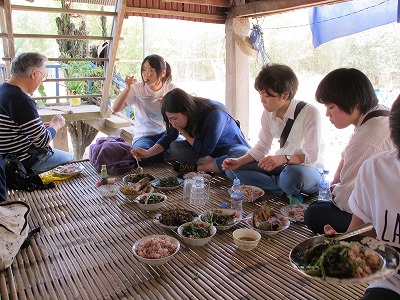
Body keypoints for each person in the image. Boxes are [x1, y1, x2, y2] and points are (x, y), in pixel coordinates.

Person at [324, 94, 400, 300]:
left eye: (331, 107)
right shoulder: (376, 168)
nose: (327, 114)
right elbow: (361, 233)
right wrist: (343, 244)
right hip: (392, 281)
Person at [304, 68, 394, 234]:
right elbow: (346, 156)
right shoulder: (377, 113)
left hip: (387, 218)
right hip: (387, 203)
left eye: (331, 107)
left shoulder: (366, 140)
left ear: (354, 103)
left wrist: (334, 192)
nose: (326, 114)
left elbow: (346, 201)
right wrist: (336, 182)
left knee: (314, 213)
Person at [222, 64, 323, 204]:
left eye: (267, 96)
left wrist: (284, 158)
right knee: (232, 170)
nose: (262, 100)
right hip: (282, 168)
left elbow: (311, 156)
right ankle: (283, 189)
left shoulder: (310, 112)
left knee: (292, 175)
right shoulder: (268, 114)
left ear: (285, 95)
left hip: (306, 171)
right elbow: (262, 146)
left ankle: (283, 184)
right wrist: (239, 162)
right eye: (260, 94)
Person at [131, 88, 250, 173]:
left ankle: (204, 167)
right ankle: (215, 165)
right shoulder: (179, 118)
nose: (172, 123)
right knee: (174, 147)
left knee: (242, 154)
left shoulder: (215, 114)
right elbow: (169, 137)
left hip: (229, 149)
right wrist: (148, 153)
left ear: (186, 112)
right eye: (169, 119)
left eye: (174, 118)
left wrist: (184, 133)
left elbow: (205, 149)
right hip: (209, 154)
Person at [0, 52, 73, 174]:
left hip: (5, 158)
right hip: (21, 162)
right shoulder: (21, 100)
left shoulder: (3, 89)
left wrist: (38, 128)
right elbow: (42, 141)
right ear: (34, 74)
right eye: (43, 76)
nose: (42, 81)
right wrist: (56, 125)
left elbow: (12, 128)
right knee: (70, 159)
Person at [111, 54, 177, 163]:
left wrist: (166, 102)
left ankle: (160, 154)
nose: (147, 74)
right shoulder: (137, 88)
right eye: (144, 70)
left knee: (179, 148)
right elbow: (115, 109)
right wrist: (128, 88)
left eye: (152, 70)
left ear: (163, 73)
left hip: (166, 134)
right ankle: (163, 155)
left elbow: (180, 114)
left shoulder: (171, 89)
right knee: (141, 155)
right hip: (144, 136)